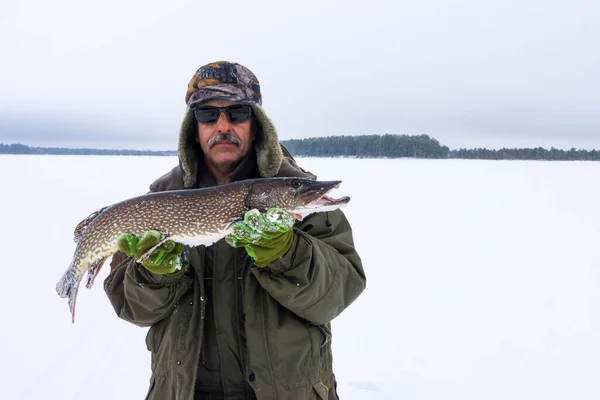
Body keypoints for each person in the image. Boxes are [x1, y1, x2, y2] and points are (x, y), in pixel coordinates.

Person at [104, 61, 366, 400]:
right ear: (193, 128)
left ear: (255, 124)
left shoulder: (299, 201)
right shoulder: (158, 201)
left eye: (237, 113)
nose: (223, 125)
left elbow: (338, 293)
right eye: (208, 116)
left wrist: (286, 254)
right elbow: (132, 308)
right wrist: (155, 275)